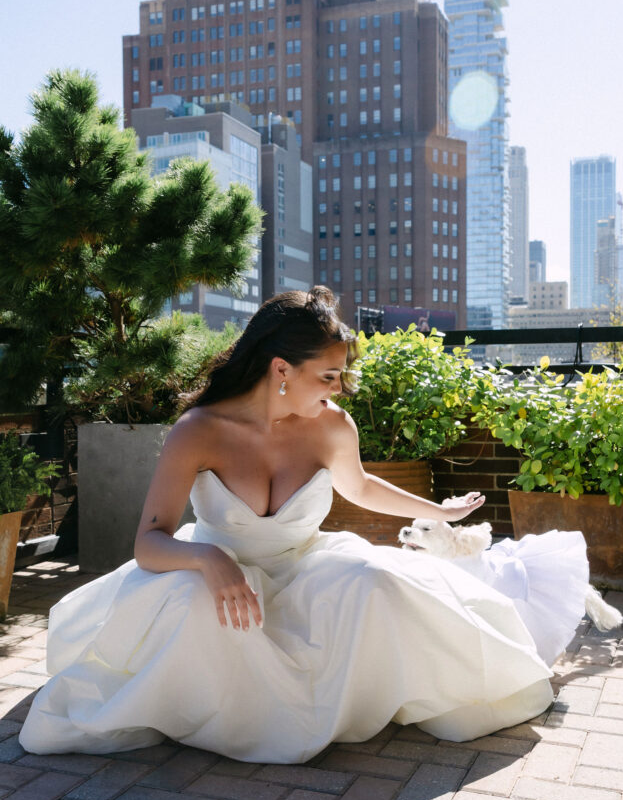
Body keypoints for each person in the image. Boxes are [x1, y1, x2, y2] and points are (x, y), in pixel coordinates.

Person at [19, 287, 585, 764]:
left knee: (373, 577)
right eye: (329, 375)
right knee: (197, 603)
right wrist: (210, 559)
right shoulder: (198, 430)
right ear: (281, 369)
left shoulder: (332, 425)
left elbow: (359, 487)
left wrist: (437, 511)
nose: (340, 389)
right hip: (214, 569)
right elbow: (149, 542)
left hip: (306, 563)